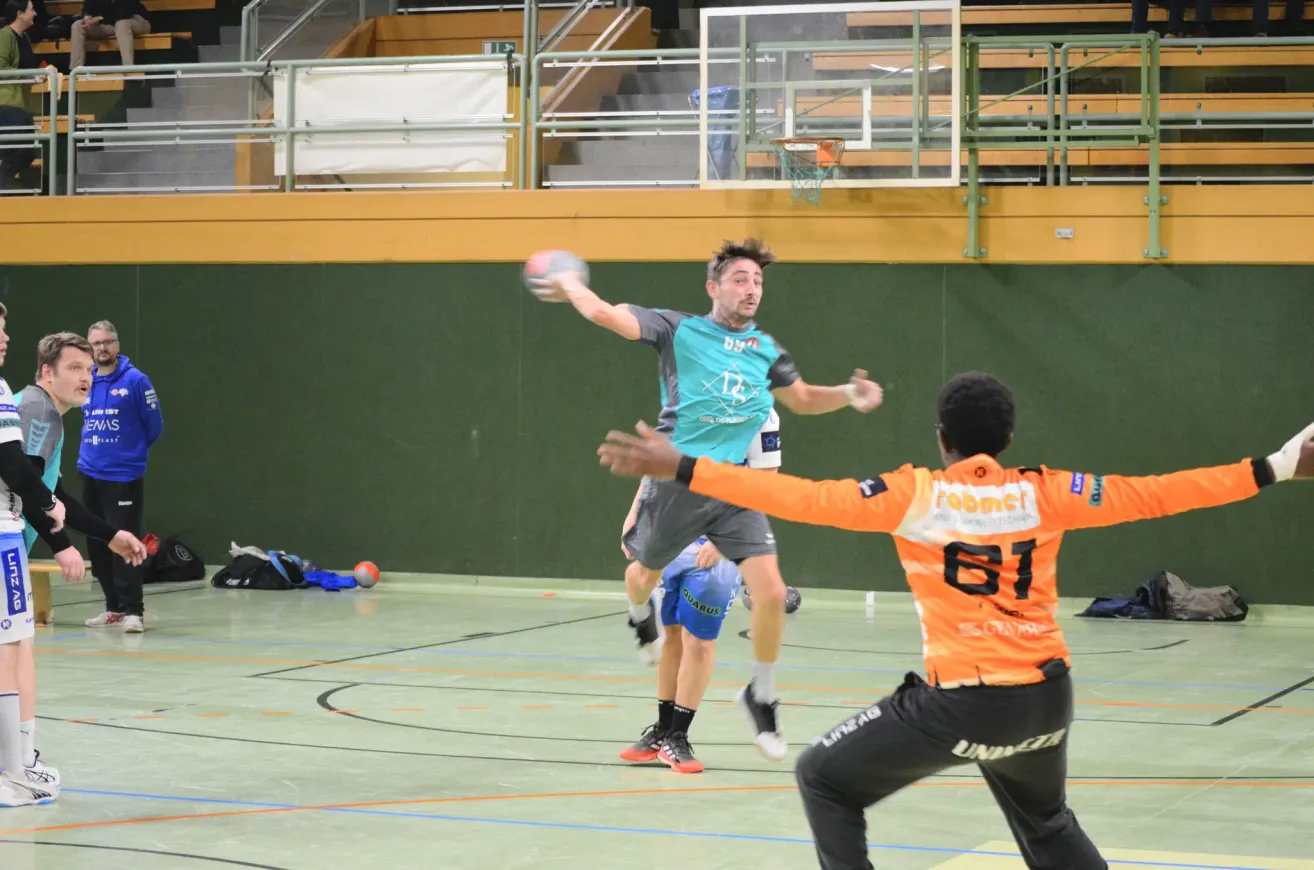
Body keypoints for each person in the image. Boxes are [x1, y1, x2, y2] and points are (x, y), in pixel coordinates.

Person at [596, 371, 1314, 870]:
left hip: (967, 700)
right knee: (1048, 823)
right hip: (1047, 696)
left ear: (942, 437)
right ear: (1006, 436)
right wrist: (1277, 466)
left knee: (822, 777)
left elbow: (797, 497)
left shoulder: (912, 495)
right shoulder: (1050, 492)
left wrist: (684, 465)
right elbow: (1161, 493)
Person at [545, 238, 883, 760]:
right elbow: (606, 314)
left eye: (759, 282)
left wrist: (848, 394)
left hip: (734, 487)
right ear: (713, 287)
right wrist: (569, 283)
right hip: (674, 482)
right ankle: (641, 618)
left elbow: (804, 398)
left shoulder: (765, 349)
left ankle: (760, 694)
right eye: (741, 280)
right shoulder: (678, 330)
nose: (752, 289)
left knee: (770, 594)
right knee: (642, 577)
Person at [10, 332, 148, 796]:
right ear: (47, 373)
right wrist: (62, 545)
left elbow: (56, 492)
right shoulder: (37, 410)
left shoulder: (53, 417)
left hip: (14, 546)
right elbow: (23, 487)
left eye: (89, 369)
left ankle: (16, 758)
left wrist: (111, 535)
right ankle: (16, 761)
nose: (86, 377)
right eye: (74, 368)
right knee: (15, 654)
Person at [619, 409, 782, 774]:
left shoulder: (761, 414)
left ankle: (679, 736)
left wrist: (726, 543)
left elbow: (766, 483)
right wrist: (636, 513)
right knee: (671, 632)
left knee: (699, 640)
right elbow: (660, 457)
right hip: (671, 525)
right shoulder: (690, 395)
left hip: (719, 533)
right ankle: (661, 731)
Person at [79, 319, 162, 633]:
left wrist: (131, 454)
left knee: (126, 544)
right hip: (89, 473)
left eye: (107, 342)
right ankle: (112, 607)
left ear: (117, 344)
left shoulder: (137, 380)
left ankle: (133, 611)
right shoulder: (86, 379)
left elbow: (155, 426)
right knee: (97, 543)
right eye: (96, 343)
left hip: (123, 476)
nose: (102, 348)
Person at [0, 0, 38, 192]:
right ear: (19, 14)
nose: (35, 13)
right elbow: (2, 68)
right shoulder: (4, 36)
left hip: (23, 104)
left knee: (28, 151)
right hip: (7, 104)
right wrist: (32, 75)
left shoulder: (24, 38)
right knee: (17, 151)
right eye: (31, 10)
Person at [70, 0, 148, 70]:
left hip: (133, 20)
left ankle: (128, 69)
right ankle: (76, 71)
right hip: (108, 25)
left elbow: (125, 12)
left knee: (121, 24)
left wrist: (99, 18)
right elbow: (87, 7)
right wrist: (86, 17)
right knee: (77, 25)